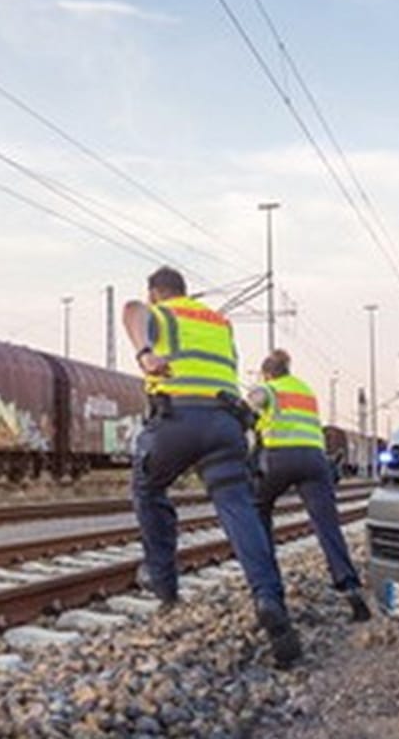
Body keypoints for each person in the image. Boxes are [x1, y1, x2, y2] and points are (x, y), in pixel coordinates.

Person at [122, 266, 302, 666]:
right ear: (187, 291)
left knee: (148, 489)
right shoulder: (220, 323)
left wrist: (145, 353)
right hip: (224, 425)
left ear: (157, 293)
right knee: (238, 508)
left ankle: (165, 586)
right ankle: (270, 601)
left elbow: (131, 311)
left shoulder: (160, 311)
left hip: (175, 421)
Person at [249, 349, 372, 622]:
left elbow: (256, 402)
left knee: (258, 510)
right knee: (327, 524)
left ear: (268, 373)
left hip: (279, 458)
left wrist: (248, 403)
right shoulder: (305, 390)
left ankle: (270, 591)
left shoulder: (269, 388)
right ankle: (350, 587)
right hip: (314, 461)